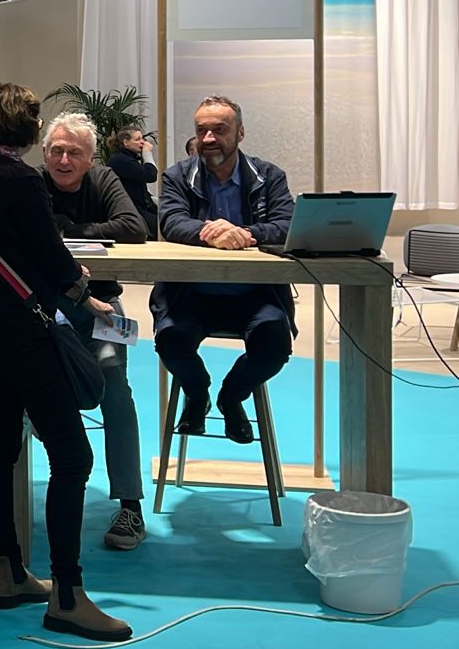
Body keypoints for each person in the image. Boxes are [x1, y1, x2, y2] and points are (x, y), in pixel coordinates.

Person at [0, 83, 131, 642]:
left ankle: (8, 573)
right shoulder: (22, 180)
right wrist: (87, 296)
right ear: (29, 131)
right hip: (23, 329)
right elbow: (51, 255)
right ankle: (70, 597)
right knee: (73, 458)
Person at [154, 96, 296, 444]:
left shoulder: (270, 176)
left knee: (275, 343)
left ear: (240, 133)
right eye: (201, 130)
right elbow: (171, 222)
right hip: (191, 293)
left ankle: (231, 397)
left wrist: (246, 234)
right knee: (170, 340)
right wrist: (213, 233)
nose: (208, 139)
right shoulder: (177, 176)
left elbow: (287, 223)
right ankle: (197, 392)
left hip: (256, 294)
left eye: (219, 130)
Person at [41, 114, 149, 552]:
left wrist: (70, 231)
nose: (64, 160)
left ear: (89, 159)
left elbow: (135, 227)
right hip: (46, 308)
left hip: (102, 307)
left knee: (116, 389)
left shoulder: (104, 179)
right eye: (56, 151)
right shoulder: (32, 183)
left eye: (74, 153)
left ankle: (130, 505)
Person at [103, 127, 160, 242]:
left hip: (140, 207)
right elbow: (150, 175)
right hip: (130, 211)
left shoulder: (127, 158)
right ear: (126, 142)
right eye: (138, 139)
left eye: (142, 138)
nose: (143, 142)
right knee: (161, 226)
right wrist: (147, 154)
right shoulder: (120, 160)